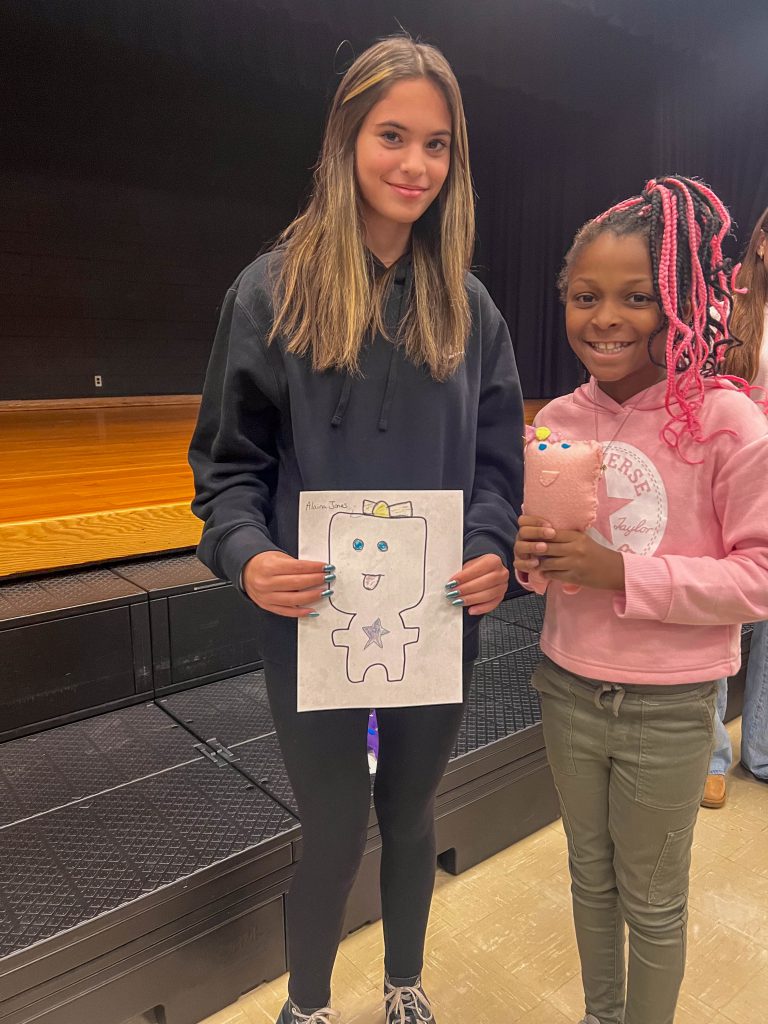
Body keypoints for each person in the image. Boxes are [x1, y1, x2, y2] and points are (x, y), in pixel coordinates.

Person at [189, 36, 523, 1024]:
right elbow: (226, 472)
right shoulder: (269, 293)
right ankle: (306, 1000)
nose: (415, 165)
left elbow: (501, 463)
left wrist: (493, 543)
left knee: (411, 815)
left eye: (437, 144)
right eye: (392, 136)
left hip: (436, 624)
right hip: (315, 628)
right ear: (345, 138)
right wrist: (250, 561)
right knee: (333, 824)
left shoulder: (470, 310)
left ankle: (405, 984)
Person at [513, 176, 768, 1024]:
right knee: (588, 878)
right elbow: (549, 567)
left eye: (635, 297)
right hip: (566, 687)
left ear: (679, 303)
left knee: (653, 903)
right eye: (586, 297)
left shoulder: (728, 422)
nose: (606, 318)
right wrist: (531, 560)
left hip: (670, 705)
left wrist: (621, 573)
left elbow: (760, 577)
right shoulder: (556, 418)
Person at [702, 205, 768, 807]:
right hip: (734, 475)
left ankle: (763, 748)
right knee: (723, 614)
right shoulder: (730, 306)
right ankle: (709, 759)